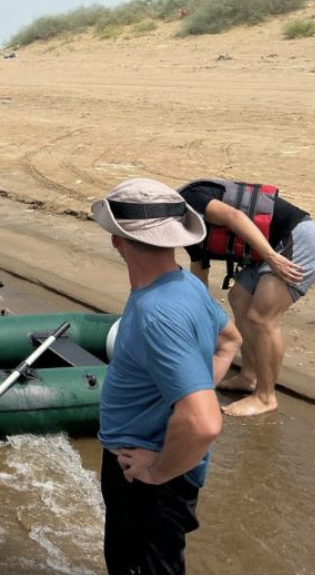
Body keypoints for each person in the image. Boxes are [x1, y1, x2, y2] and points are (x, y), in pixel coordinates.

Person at [91, 178, 242, 574]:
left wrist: (156, 471)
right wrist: (191, 390)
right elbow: (229, 341)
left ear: (117, 241)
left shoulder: (157, 312)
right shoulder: (185, 284)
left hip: (149, 476)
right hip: (161, 464)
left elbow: (204, 422)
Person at [178, 179, 312, 416]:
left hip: (296, 237)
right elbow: (200, 276)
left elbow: (235, 217)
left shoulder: (191, 199)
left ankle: (265, 397)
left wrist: (271, 257)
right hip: (268, 247)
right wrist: (200, 323)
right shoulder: (184, 231)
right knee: (239, 297)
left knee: (261, 317)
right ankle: (249, 376)